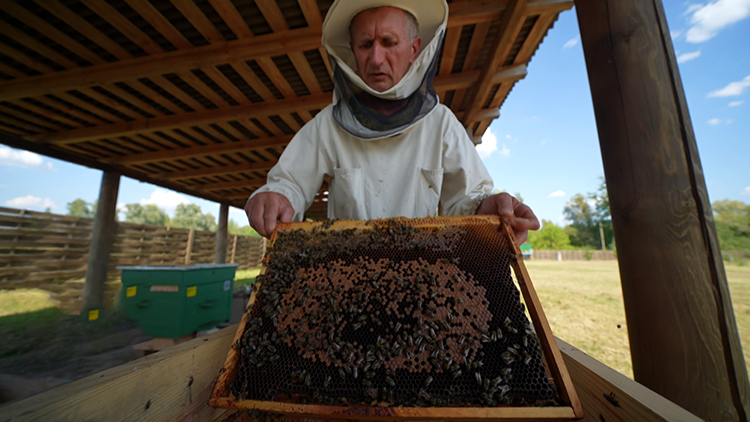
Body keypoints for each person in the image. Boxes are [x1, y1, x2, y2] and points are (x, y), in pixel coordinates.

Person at [245, 0, 539, 242]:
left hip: (423, 276)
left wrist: (492, 210)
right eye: (364, 44)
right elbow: (290, 184)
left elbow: (468, 200)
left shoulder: (441, 124)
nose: (375, 58)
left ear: (414, 49)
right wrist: (275, 197)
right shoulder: (328, 125)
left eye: (388, 42)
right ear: (352, 51)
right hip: (347, 275)